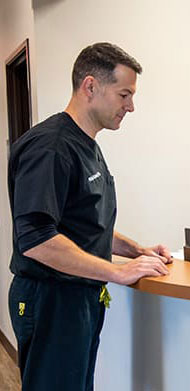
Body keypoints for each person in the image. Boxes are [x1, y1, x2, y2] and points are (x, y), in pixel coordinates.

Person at [8, 42, 171, 391]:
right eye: (124, 94)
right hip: (51, 299)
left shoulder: (87, 144)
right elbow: (37, 240)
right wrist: (116, 271)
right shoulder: (51, 147)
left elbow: (86, 225)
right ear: (91, 86)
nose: (131, 106)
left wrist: (138, 251)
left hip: (77, 298)